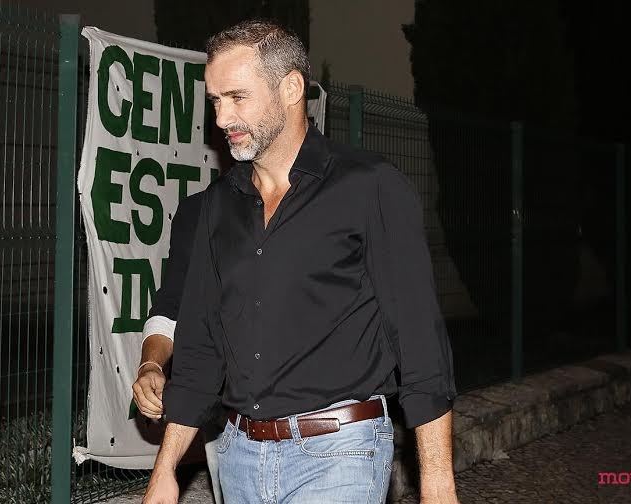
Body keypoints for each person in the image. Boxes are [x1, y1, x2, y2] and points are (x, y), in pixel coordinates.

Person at [143, 19, 458, 504]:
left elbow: (420, 344)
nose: (222, 117)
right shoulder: (216, 208)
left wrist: (437, 483)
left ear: (291, 88)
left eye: (237, 97)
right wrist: (165, 470)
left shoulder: (369, 186)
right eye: (215, 100)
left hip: (339, 453)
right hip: (238, 457)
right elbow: (201, 352)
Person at [132, 192, 223, 504]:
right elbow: (175, 301)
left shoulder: (332, 194)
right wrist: (151, 365)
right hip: (232, 422)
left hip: (329, 423)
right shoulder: (201, 209)